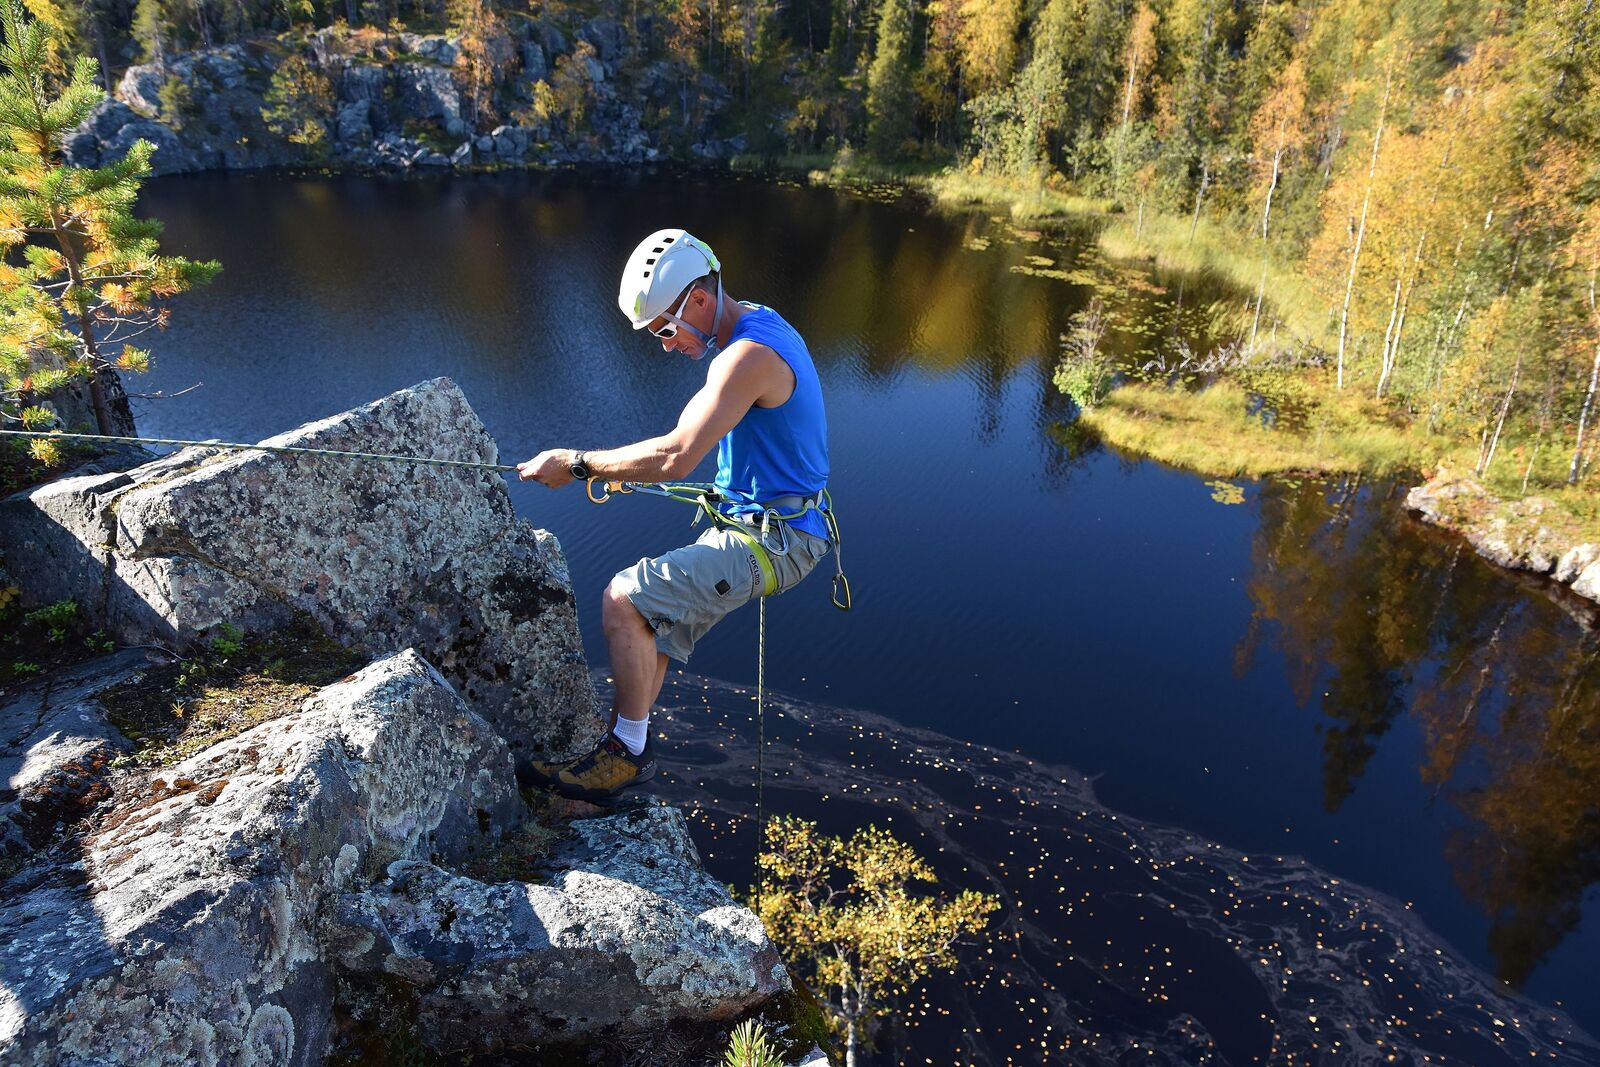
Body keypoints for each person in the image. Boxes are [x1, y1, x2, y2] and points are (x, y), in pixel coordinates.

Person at [517, 228, 833, 802]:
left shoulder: (747, 358)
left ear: (700, 300)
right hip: (769, 522)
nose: (665, 346)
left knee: (624, 599)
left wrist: (578, 464)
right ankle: (625, 744)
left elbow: (675, 456)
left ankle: (626, 756)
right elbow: (686, 441)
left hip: (779, 540)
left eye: (665, 329)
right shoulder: (755, 322)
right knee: (653, 625)